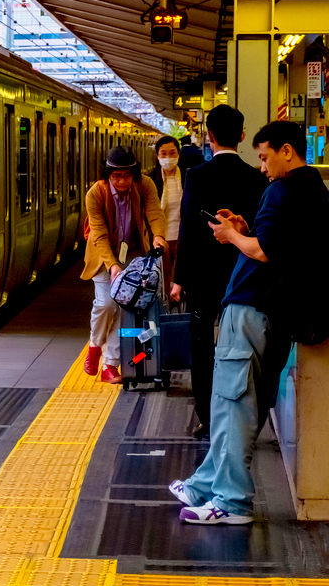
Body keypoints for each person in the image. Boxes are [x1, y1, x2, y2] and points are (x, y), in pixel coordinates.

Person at [172, 121, 329, 524]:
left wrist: (231, 236)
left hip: (250, 309)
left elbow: (264, 251)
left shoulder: (281, 190)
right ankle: (205, 483)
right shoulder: (315, 189)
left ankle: (231, 501)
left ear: (287, 151)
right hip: (278, 313)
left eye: (265, 157)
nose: (262, 167)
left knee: (231, 404)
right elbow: (282, 244)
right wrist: (245, 229)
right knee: (243, 404)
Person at [169, 106, 267, 439]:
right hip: (244, 275)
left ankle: (208, 419)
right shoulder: (256, 177)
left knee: (202, 347)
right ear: (242, 135)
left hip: (203, 276)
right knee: (242, 348)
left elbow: (188, 229)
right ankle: (239, 416)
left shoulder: (196, 175)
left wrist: (179, 278)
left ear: (209, 136)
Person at [82, 146, 167, 384]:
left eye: (127, 175)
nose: (122, 181)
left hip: (134, 255)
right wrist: (112, 265)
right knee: (106, 304)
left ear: (135, 174)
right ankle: (95, 345)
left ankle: (110, 365)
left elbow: (155, 212)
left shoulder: (145, 185)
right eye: (116, 176)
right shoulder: (95, 193)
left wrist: (159, 236)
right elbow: (99, 234)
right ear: (107, 175)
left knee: (126, 307)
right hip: (103, 256)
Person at [148, 135, 185, 297]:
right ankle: (164, 308)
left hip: (183, 236)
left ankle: (179, 308)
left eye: (172, 153)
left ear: (178, 154)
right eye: (163, 153)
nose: (168, 158)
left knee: (181, 280)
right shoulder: (151, 179)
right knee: (162, 280)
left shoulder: (188, 177)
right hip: (161, 238)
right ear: (157, 156)